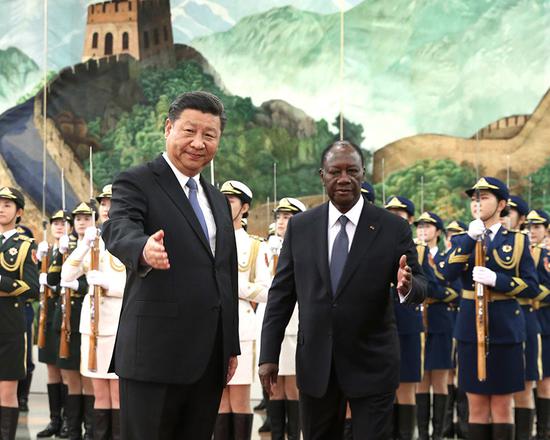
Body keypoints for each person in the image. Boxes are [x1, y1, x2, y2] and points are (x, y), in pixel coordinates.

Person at [259, 140, 427, 440]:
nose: (344, 178)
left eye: (352, 170)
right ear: (322, 175)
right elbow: (281, 295)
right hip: (316, 366)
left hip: (372, 364)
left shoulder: (392, 228)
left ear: (363, 174)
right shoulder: (301, 227)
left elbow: (422, 284)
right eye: (335, 171)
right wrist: (268, 354)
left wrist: (408, 286)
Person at [101, 91, 240, 440]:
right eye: (189, 131)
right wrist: (142, 248)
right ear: (168, 128)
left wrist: (229, 345)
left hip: (208, 358)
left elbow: (224, 274)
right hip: (154, 355)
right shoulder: (138, 181)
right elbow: (118, 227)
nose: (198, 143)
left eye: (209, 135)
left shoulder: (218, 201)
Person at [442, 177, 539, 439]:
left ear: (502, 204)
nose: (477, 202)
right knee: (476, 407)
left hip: (505, 330)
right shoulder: (464, 239)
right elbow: (447, 273)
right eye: (475, 198)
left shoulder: (518, 242)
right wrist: (469, 239)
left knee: (502, 406)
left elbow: (532, 286)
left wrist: (499, 280)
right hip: (471, 330)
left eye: (484, 197)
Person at [61, 186, 124, 440]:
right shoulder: (93, 241)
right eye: (104, 203)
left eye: (112, 203)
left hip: (119, 323)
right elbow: (66, 276)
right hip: (94, 326)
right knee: (99, 392)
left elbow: (138, 285)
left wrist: (110, 285)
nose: (107, 208)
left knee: (118, 392)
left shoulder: (129, 237)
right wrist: (83, 246)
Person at [215, 180, 271, 440]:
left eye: (231, 201)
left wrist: (233, 287)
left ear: (245, 207)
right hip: (211, 328)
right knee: (218, 402)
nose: (225, 205)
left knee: (238, 399)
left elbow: (265, 290)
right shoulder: (209, 240)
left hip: (241, 330)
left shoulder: (255, 246)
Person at [384, 195, 428, 440]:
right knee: (385, 389)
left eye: (400, 214)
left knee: (407, 387)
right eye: (390, 212)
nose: (394, 217)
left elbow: (426, 284)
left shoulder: (419, 250)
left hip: (408, 323)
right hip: (382, 323)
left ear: (410, 220)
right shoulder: (377, 243)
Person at [414, 211, 461, 440]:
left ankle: (439, 433)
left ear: (438, 232)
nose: (422, 230)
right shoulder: (413, 253)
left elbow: (457, 291)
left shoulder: (447, 258)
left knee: (441, 379)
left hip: (441, 320)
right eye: (419, 226)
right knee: (421, 379)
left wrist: (437, 292)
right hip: (420, 319)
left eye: (428, 226)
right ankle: (423, 433)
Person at [264, 197, 307, 440]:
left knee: (293, 386)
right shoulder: (263, 248)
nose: (281, 221)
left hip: (294, 321)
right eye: (279, 217)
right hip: (270, 321)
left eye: (288, 217)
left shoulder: (305, 247)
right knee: (273, 386)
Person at [0, 187, 39, 439]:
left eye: (7, 204)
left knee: (6, 390)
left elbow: (32, 288)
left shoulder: (25, 245)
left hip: (10, 323)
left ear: (19, 212)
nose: (1, 208)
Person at [59, 202, 96, 440]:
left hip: (89, 315)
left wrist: (79, 286)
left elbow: (92, 279)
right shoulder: (67, 245)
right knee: (70, 374)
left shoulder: (98, 244)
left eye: (86, 217)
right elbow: (57, 277)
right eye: (78, 218)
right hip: (66, 319)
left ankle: (91, 428)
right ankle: (71, 427)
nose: (81, 222)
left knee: (89, 377)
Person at [35, 209, 72, 438]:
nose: (59, 227)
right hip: (47, 316)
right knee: (51, 370)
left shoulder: (72, 250)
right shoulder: (46, 251)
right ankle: (54, 419)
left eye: (63, 223)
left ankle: (69, 420)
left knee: (66, 372)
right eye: (56, 223)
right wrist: (39, 263)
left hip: (65, 314)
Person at [526, 209, 550, 440]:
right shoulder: (524, 252)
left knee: (544, 379)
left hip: (544, 322)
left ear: (546, 230)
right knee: (529, 378)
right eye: (530, 227)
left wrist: (530, 294)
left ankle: (544, 430)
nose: (533, 231)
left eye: (538, 227)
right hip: (527, 322)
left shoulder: (546, 257)